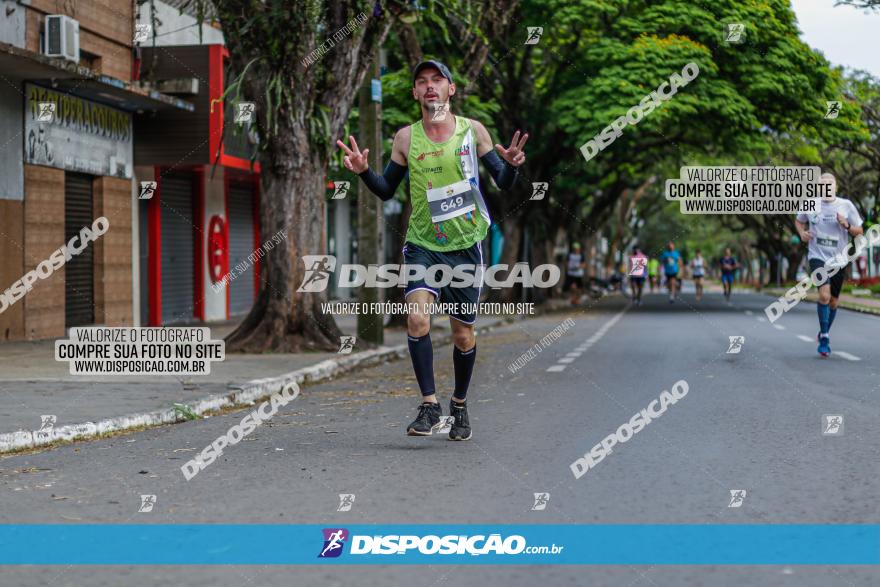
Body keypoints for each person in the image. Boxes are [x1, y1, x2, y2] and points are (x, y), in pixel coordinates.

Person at [337, 60, 527, 439]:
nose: (429, 86)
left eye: (437, 80)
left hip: (466, 246)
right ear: (414, 93)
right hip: (422, 245)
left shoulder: (473, 132)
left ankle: (459, 405)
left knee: (462, 336)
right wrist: (362, 171)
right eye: (421, 81)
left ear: (450, 89)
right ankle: (429, 404)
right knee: (418, 320)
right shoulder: (406, 138)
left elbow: (503, 182)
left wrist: (512, 166)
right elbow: (387, 188)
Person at [794, 173, 863, 357]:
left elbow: (859, 231)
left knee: (833, 301)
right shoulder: (810, 203)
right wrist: (802, 233)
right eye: (822, 184)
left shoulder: (846, 205)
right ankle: (824, 337)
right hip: (817, 256)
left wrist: (847, 225)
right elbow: (799, 221)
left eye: (829, 184)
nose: (826, 187)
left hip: (839, 259)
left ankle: (824, 330)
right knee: (824, 295)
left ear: (835, 186)